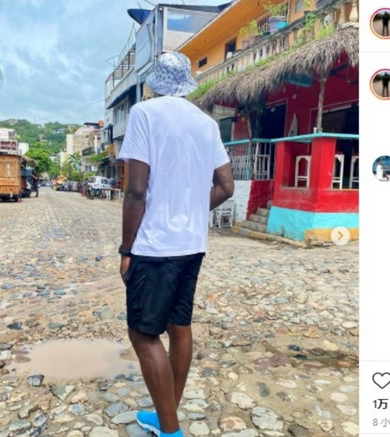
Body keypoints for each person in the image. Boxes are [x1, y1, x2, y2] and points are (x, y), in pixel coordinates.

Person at [118, 52, 234, 437]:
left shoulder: (144, 114)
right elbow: (226, 186)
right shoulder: (206, 123)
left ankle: (170, 430)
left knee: (143, 334)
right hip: (191, 245)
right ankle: (166, 414)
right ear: (185, 83)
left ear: (154, 83)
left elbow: (136, 191)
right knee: (179, 327)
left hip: (155, 247)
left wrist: (126, 249)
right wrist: (191, 211)